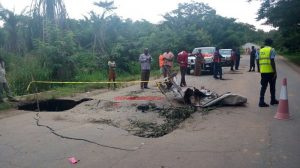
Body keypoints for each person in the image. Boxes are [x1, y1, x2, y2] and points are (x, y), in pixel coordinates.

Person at [258, 39, 278, 107]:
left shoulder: (261, 50)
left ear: (265, 43)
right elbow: (272, 61)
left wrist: (259, 69)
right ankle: (272, 100)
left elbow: (258, 60)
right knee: (272, 86)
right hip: (270, 71)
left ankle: (261, 101)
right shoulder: (272, 49)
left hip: (263, 71)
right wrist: (275, 71)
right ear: (271, 43)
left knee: (263, 86)